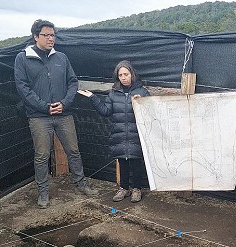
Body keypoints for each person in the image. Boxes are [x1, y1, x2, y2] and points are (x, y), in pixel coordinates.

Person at [14, 19, 99, 209]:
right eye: (46, 35)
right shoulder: (23, 58)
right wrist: (45, 107)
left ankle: (81, 184)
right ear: (36, 36)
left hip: (63, 113)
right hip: (38, 116)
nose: (51, 38)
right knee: (42, 155)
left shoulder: (61, 57)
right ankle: (43, 193)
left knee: (73, 150)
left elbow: (73, 82)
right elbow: (22, 88)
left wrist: (65, 103)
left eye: (53, 35)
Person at [78, 60, 150, 203]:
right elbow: (105, 111)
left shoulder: (142, 92)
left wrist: (142, 102)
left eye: (126, 74)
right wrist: (93, 98)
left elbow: (150, 112)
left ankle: (137, 189)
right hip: (119, 134)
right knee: (122, 161)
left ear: (132, 74)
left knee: (136, 162)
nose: (123, 77)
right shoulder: (113, 94)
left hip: (136, 134)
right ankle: (124, 188)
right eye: (120, 75)